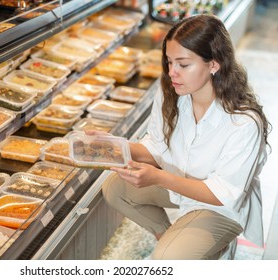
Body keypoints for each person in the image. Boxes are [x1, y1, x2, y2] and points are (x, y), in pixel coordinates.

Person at [100, 14, 271, 260]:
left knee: (164, 260)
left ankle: (207, 246)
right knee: (115, 189)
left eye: (183, 64)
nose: (172, 73)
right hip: (180, 187)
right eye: (169, 62)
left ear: (213, 64)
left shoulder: (243, 122)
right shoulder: (171, 93)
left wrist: (158, 176)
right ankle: (177, 241)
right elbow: (157, 145)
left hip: (220, 208)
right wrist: (112, 146)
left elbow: (221, 193)